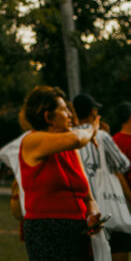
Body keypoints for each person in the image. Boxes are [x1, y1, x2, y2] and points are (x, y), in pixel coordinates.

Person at [19, 85, 104, 261]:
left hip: (78, 231)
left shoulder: (70, 149)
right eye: (64, 110)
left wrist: (92, 215)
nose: (71, 115)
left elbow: (88, 198)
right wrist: (92, 129)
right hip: (48, 231)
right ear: (48, 116)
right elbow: (78, 138)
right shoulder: (32, 140)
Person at [74, 94, 131, 261]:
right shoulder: (102, 136)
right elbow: (123, 165)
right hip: (106, 208)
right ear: (93, 112)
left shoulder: (67, 137)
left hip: (81, 209)